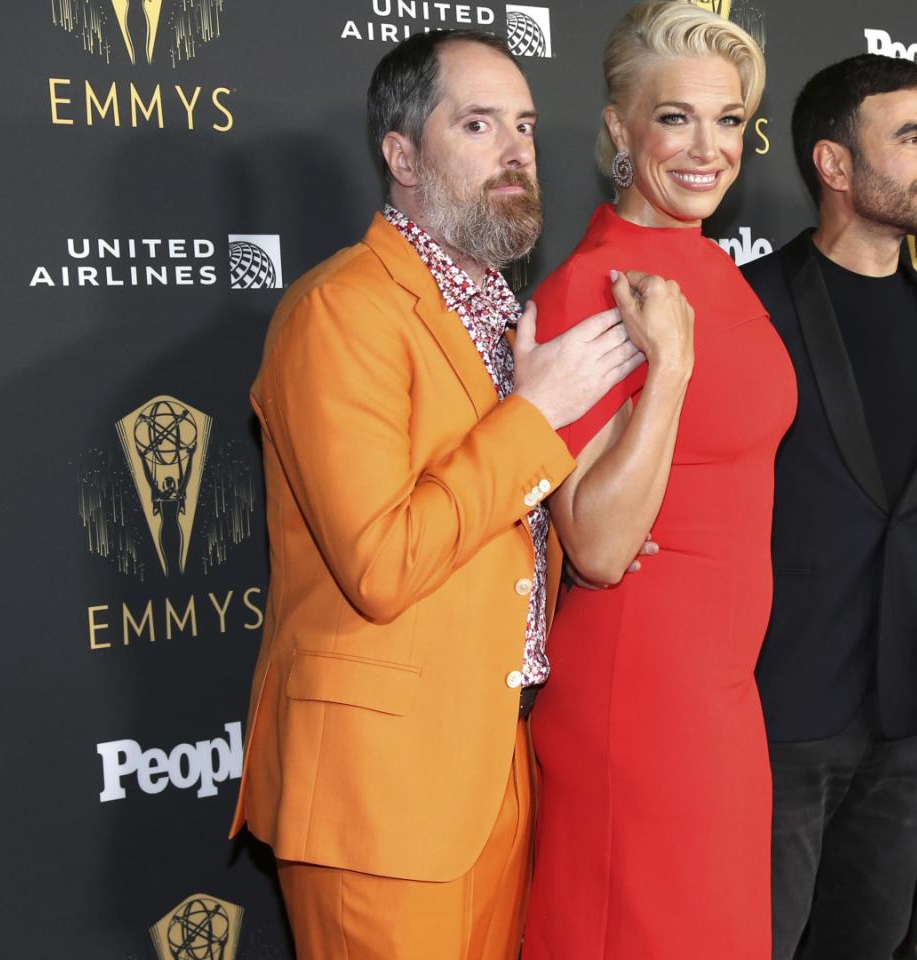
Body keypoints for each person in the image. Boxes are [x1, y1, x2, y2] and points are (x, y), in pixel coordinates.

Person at [231, 29, 666, 959]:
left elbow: (513, 521)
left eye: (525, 126)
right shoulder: (339, 311)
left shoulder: (512, 318)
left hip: (501, 767)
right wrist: (537, 414)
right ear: (401, 155)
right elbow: (381, 565)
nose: (516, 152)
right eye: (477, 125)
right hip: (381, 795)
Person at [521, 2, 794, 957]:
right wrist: (667, 374)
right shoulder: (592, 289)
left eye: (728, 121)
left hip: (722, 691)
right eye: (675, 117)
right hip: (638, 691)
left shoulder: (713, 267)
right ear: (618, 131)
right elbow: (593, 546)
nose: (706, 148)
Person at [744, 54, 917, 960]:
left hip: (903, 717)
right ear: (835, 166)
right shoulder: (746, 308)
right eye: (912, 137)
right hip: (776, 710)